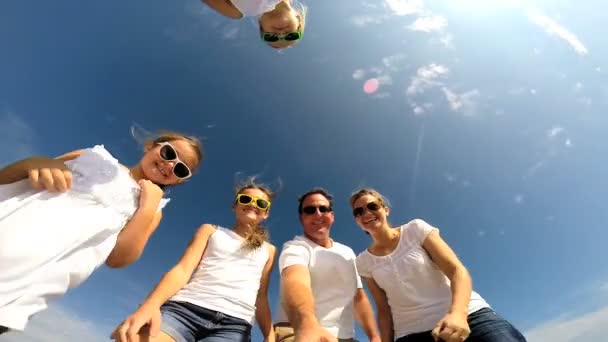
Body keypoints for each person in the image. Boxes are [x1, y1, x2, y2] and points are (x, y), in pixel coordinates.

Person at [0, 131, 203, 334]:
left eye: (180, 169)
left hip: (20, 287)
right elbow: (6, 180)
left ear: (178, 181)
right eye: (169, 153)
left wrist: (147, 208)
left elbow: (118, 259)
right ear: (151, 146)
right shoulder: (94, 156)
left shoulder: (153, 209)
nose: (170, 165)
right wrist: (33, 163)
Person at [350, 188, 527, 342]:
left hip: (468, 315)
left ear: (385, 210)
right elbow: (383, 309)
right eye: (358, 211)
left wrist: (458, 314)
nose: (366, 213)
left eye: (372, 206)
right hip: (411, 333)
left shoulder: (415, 229)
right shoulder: (363, 262)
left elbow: (456, 270)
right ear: (357, 220)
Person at [111, 179, 277, 342]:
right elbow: (183, 270)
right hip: (184, 311)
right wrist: (149, 305)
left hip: (235, 325)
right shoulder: (210, 231)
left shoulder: (269, 250)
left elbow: (260, 296)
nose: (253, 204)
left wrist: (269, 336)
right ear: (235, 206)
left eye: (261, 204)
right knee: (130, 337)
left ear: (266, 213)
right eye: (246, 199)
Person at [275, 188, 381, 342]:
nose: (318, 214)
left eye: (323, 209)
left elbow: (358, 297)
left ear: (332, 216)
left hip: (346, 337)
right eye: (310, 210)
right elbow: (295, 281)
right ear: (301, 218)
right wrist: (308, 325)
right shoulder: (295, 247)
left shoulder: (347, 252)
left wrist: (374, 336)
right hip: (298, 329)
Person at [202, 0, 307, 48]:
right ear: (298, 19)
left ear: (261, 25)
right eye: (291, 36)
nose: (280, 35)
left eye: (271, 37)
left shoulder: (237, 11)